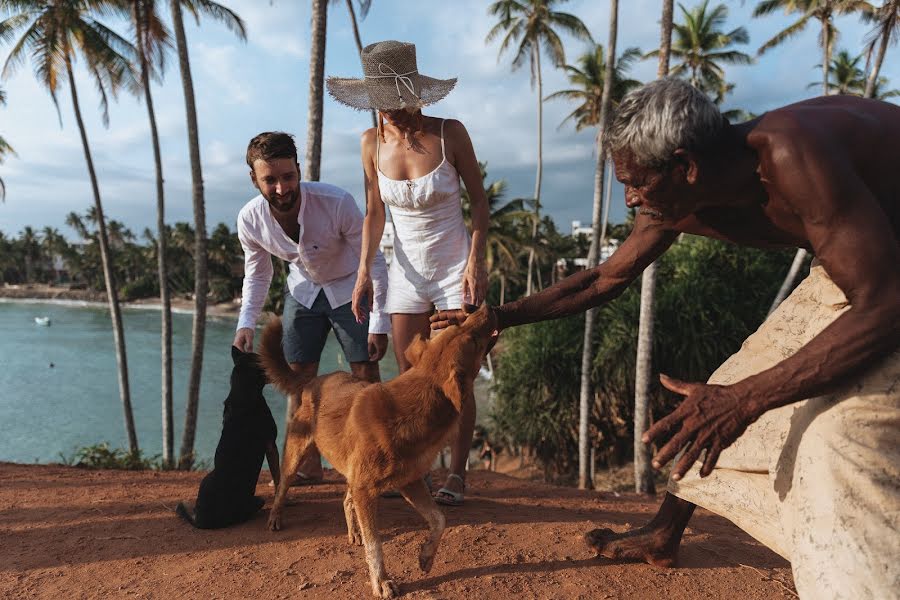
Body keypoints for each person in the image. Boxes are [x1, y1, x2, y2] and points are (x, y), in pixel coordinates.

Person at [431, 78, 900, 598]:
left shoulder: (793, 157)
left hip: (884, 285)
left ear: (685, 167)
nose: (629, 199)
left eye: (636, 184)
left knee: (836, 442)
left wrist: (744, 402)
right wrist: (499, 315)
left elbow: (883, 306)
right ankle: (663, 533)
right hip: (862, 267)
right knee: (728, 386)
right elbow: (605, 278)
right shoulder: (680, 197)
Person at [326, 40, 490, 506]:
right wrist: (363, 273)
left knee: (458, 376)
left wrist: (476, 262)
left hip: (455, 266)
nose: (390, 112)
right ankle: (418, 471)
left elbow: (479, 202)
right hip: (405, 271)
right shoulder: (369, 143)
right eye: (380, 103)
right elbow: (374, 212)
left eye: (396, 100)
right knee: (410, 378)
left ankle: (457, 474)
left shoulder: (450, 132)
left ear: (415, 92)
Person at [233, 131, 390, 483]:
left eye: (288, 177)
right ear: (254, 179)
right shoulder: (250, 219)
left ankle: (373, 466)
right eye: (269, 180)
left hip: (351, 285)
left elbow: (374, 261)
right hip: (303, 290)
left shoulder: (336, 202)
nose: (281, 188)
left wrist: (380, 321)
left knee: (365, 375)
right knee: (298, 378)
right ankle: (307, 465)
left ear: (299, 170)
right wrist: (246, 323)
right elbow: (258, 274)